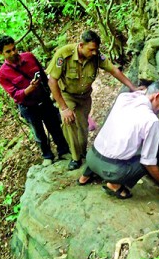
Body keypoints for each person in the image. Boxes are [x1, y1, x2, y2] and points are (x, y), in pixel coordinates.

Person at [46, 30, 144, 170]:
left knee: (83, 126)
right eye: (91, 49)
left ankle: (83, 151)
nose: (94, 53)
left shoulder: (96, 56)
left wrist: (133, 87)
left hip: (85, 96)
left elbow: (114, 70)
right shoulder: (64, 54)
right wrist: (64, 108)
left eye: (96, 50)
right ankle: (75, 157)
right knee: (69, 122)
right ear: (81, 45)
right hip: (67, 95)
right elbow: (52, 81)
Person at [77, 71, 159, 200]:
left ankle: (85, 176)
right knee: (156, 157)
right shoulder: (151, 121)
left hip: (91, 157)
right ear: (157, 96)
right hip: (111, 171)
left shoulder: (125, 97)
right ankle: (113, 184)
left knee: (112, 140)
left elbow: (147, 92)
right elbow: (148, 162)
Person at [0, 35, 69, 166]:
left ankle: (63, 150)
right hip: (28, 107)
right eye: (8, 51)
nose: (13, 53)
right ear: (1, 53)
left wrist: (54, 93)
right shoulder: (2, 74)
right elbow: (16, 95)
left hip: (44, 100)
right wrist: (30, 88)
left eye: (14, 49)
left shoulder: (29, 57)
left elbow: (44, 75)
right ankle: (47, 155)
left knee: (54, 126)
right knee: (39, 133)